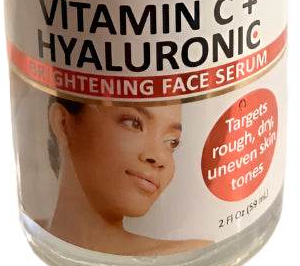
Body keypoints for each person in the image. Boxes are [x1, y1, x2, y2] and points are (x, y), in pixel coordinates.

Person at [46, 97, 211, 255]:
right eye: (134, 123)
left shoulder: (189, 253)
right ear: (63, 123)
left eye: (172, 142)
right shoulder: (40, 235)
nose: (160, 158)